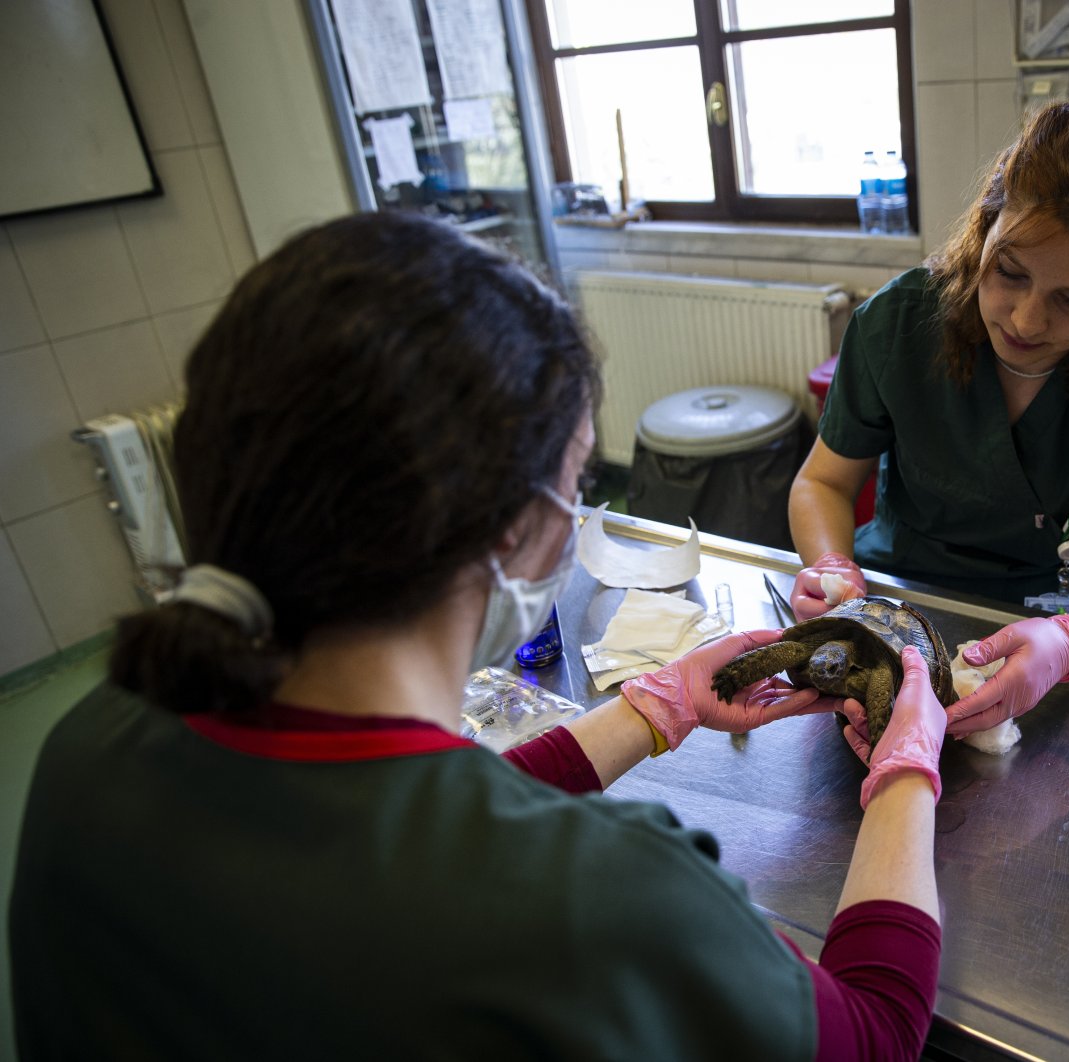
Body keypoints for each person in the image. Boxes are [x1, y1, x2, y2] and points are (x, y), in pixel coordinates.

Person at [9, 212, 948, 1061]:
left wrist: (649, 710)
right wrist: (905, 765)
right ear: (509, 526)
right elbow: (870, 1038)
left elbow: (409, 839)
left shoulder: (96, 741)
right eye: (576, 488)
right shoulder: (609, 897)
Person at [789, 98, 1069, 739]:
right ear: (987, 224)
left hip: (1059, 622)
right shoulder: (900, 324)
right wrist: (832, 571)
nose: (1025, 321)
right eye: (1008, 273)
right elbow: (822, 482)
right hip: (899, 593)